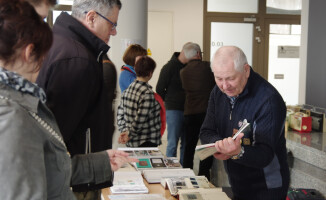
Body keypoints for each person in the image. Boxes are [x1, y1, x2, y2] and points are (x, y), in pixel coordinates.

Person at [0, 1, 137, 199]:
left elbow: (49, 164)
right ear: (29, 53)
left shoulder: (21, 101)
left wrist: (99, 163)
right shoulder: (11, 114)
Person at [36, 0, 122, 198]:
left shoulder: (60, 43)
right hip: (76, 180)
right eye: (112, 24)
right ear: (91, 17)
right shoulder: (77, 59)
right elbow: (57, 134)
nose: (114, 32)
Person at [200, 46, 290, 200]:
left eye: (230, 78)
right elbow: (206, 132)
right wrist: (220, 146)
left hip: (267, 188)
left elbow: (265, 154)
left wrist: (236, 152)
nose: (224, 85)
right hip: (238, 183)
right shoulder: (218, 92)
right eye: (219, 78)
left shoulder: (268, 100)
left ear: (246, 70)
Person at [180, 42, 215, 180]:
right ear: (198, 54)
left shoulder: (183, 72)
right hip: (207, 112)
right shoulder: (208, 67)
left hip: (190, 112)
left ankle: (187, 174)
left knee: (189, 145)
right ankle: (204, 174)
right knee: (207, 145)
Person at [117, 56, 161, 147]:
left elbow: (120, 114)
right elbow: (140, 120)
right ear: (150, 73)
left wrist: (124, 131)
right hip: (146, 141)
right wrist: (129, 134)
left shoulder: (127, 90)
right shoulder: (147, 93)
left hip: (131, 142)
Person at [156, 43, 189, 165]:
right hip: (174, 110)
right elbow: (160, 89)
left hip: (189, 110)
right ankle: (170, 168)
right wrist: (169, 102)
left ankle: (183, 168)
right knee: (172, 143)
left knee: (186, 143)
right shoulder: (169, 67)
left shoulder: (189, 67)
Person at [102, 53, 117, 152]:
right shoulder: (106, 65)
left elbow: (106, 98)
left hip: (102, 122)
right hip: (105, 121)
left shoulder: (106, 66)